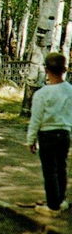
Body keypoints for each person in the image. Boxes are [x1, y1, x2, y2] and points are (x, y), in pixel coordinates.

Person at [27, 52, 72, 216]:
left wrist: (31, 139)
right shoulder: (70, 90)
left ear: (46, 70)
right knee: (61, 167)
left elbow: (36, 119)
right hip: (65, 134)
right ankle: (60, 200)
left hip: (47, 135)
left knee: (49, 170)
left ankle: (52, 206)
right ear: (64, 69)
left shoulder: (42, 94)